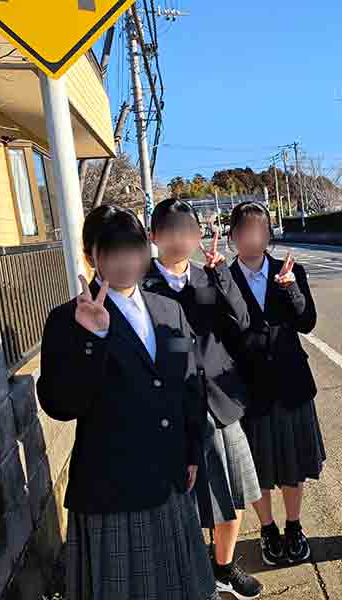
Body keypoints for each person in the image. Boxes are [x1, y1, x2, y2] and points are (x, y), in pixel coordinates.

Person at [37, 205, 218, 600]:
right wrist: (91, 340)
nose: (126, 261)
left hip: (169, 478)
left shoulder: (168, 308)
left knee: (178, 587)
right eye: (112, 251)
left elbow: (190, 385)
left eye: (134, 249)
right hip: (113, 488)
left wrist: (192, 449)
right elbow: (60, 404)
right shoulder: (68, 319)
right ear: (91, 256)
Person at [143, 199, 263, 600]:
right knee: (187, 502)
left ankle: (224, 567)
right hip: (172, 410)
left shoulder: (211, 275)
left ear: (198, 235)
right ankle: (194, 573)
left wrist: (222, 279)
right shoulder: (140, 285)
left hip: (220, 401)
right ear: (154, 236)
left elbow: (243, 323)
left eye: (188, 230)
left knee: (236, 491)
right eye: (171, 230)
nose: (181, 239)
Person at [227, 201, 325, 566]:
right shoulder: (222, 278)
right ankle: (268, 528)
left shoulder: (290, 270)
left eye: (260, 229)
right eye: (245, 230)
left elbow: (307, 322)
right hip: (247, 391)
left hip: (291, 384)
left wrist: (291, 291)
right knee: (258, 468)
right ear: (234, 235)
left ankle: (294, 526)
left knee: (292, 463)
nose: (253, 237)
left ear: (269, 233)